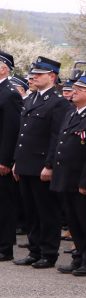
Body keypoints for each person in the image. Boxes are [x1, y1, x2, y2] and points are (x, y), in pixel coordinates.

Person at [12, 56, 71, 269]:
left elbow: (57, 137)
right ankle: (34, 250)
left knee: (47, 211)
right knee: (31, 211)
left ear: (52, 76)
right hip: (26, 164)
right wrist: (17, 161)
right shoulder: (30, 99)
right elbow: (23, 134)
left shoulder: (59, 103)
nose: (33, 77)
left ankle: (48, 252)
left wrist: (50, 164)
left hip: (42, 166)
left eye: (39, 74)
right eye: (33, 73)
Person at [50, 72, 86, 276]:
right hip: (67, 177)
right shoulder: (73, 113)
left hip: (82, 180)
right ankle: (80, 256)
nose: (74, 92)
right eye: (74, 89)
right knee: (75, 222)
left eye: (80, 90)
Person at [0, 50, 22, 262]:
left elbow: (11, 130)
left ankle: (5, 247)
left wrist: (5, 160)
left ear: (3, 67)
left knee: (4, 204)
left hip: (1, 158)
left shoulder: (10, 93)